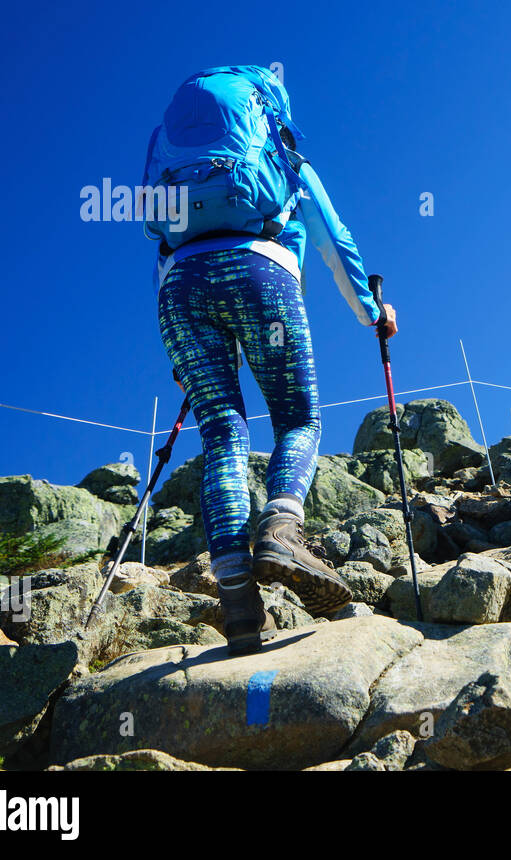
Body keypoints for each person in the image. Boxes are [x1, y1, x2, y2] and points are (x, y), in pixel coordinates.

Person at [146, 66, 396, 655]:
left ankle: (236, 599)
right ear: (265, 109)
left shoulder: (168, 157)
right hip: (263, 275)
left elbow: (162, 246)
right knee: (298, 420)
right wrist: (373, 312)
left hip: (178, 288)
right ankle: (282, 527)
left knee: (223, 436)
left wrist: (188, 354)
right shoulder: (284, 158)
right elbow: (336, 240)